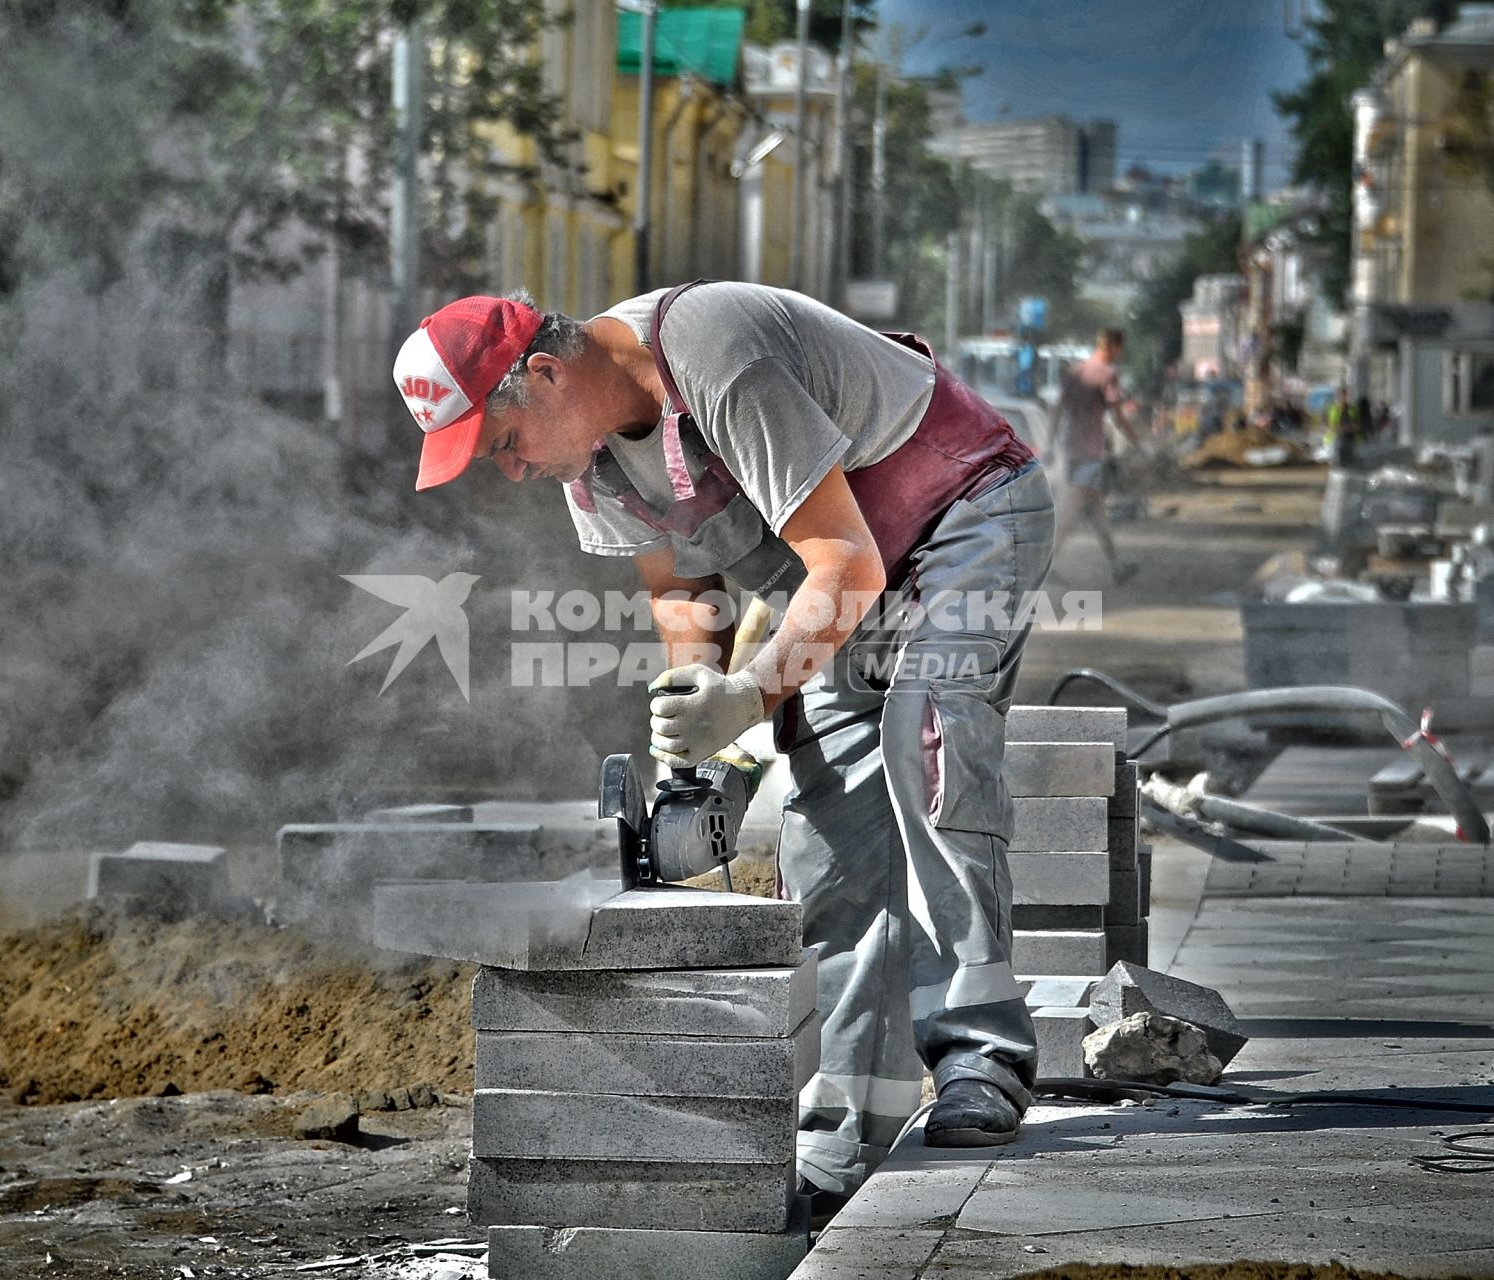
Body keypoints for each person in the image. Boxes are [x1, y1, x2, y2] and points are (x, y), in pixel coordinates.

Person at [392, 282, 1055, 1208]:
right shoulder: (591, 457)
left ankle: (982, 1058)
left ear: (542, 374)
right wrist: (691, 732)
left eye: (503, 445)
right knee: (830, 840)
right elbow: (681, 585)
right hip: (840, 584)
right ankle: (846, 1136)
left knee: (923, 737)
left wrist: (745, 696)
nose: (509, 472)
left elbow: (848, 565)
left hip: (963, 513)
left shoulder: (714, 355)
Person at [1051, 328, 1141, 582]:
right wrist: (1137, 442)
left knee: (1097, 510)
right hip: (1090, 452)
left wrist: (1050, 443)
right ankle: (1044, 567)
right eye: (1119, 349)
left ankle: (1116, 567)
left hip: (1071, 449)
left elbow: (1058, 409)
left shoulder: (1075, 371)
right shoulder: (1108, 375)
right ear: (1113, 347)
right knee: (1069, 512)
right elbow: (1118, 414)